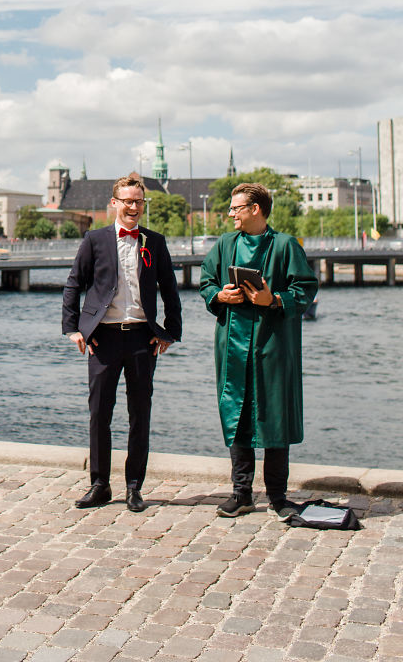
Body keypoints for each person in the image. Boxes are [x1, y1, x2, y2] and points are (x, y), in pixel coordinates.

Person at [62, 172, 182, 512]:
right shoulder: (95, 240)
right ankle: (99, 484)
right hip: (103, 339)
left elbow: (170, 290)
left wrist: (170, 332)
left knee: (139, 415)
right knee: (100, 413)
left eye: (138, 202)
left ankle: (134, 487)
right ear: (115, 203)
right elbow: (74, 284)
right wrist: (74, 329)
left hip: (143, 338)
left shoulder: (154, 242)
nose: (133, 207)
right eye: (127, 201)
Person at [199, 181, 318, 520]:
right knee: (237, 414)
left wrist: (275, 299)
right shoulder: (224, 245)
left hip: (273, 344)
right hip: (233, 345)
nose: (230, 213)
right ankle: (241, 493)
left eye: (236, 207)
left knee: (274, 413)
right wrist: (220, 296)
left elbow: (306, 288)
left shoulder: (285, 246)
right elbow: (206, 281)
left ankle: (278, 496)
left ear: (256, 209)